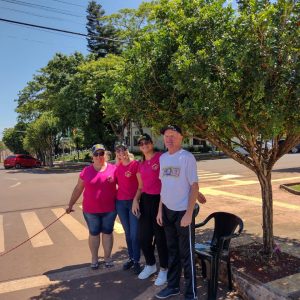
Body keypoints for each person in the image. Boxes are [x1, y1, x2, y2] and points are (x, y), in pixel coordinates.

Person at [156, 125, 199, 300]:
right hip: (166, 211)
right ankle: (173, 286)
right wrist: (160, 210)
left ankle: (191, 293)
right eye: (167, 136)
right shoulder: (163, 158)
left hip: (183, 212)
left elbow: (194, 186)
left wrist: (189, 214)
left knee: (186, 254)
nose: (169, 139)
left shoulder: (187, 158)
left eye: (173, 136)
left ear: (181, 137)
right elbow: (163, 186)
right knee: (172, 251)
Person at [66, 144, 117, 270]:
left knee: (107, 232)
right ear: (92, 157)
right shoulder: (86, 171)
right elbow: (78, 188)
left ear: (105, 155)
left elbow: (123, 185)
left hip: (110, 209)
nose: (99, 156)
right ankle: (94, 258)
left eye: (101, 153)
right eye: (96, 154)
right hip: (91, 210)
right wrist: (71, 204)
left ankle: (107, 257)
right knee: (94, 233)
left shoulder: (113, 169)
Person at [132, 133, 168, 286]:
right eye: (141, 144)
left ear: (152, 143)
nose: (144, 145)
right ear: (139, 147)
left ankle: (164, 269)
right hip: (146, 201)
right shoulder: (140, 164)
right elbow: (140, 187)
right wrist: (135, 199)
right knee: (143, 237)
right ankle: (150, 265)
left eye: (146, 142)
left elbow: (167, 182)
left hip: (161, 200)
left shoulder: (161, 157)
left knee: (160, 239)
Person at [114, 143, 141, 274]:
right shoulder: (117, 167)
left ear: (127, 150)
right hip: (120, 203)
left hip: (133, 203)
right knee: (128, 233)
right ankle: (131, 258)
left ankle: (137, 260)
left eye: (122, 150)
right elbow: (116, 183)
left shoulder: (135, 165)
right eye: (118, 152)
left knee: (135, 234)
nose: (121, 154)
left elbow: (141, 185)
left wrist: (136, 200)